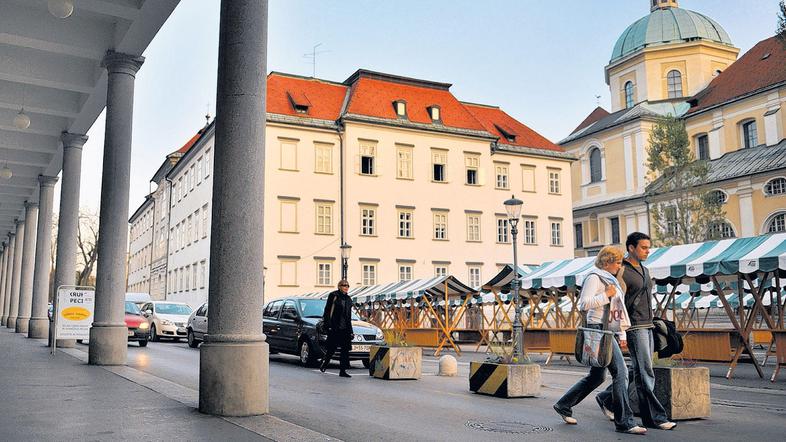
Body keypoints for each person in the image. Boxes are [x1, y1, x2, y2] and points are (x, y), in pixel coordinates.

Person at [553, 246, 646, 435]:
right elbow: (584, 304)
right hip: (598, 330)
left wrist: (621, 334)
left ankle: (564, 404)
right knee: (621, 373)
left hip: (607, 331)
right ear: (606, 262)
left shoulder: (610, 279)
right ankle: (624, 422)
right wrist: (606, 295)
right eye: (618, 262)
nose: (620, 266)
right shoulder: (594, 277)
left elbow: (616, 311)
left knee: (598, 376)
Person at [598, 233, 676, 431]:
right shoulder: (621, 270)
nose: (647, 251)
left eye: (648, 247)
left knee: (640, 370)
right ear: (631, 248)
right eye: (643, 247)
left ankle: (607, 398)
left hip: (647, 324)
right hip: (633, 326)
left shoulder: (644, 269)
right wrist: (621, 331)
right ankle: (655, 418)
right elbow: (618, 302)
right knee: (645, 372)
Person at [320, 279, 354, 378]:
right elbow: (327, 311)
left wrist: (351, 331)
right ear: (339, 286)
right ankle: (325, 363)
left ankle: (342, 371)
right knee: (331, 348)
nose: (346, 287)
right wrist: (328, 325)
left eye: (347, 286)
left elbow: (349, 316)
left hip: (345, 328)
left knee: (345, 350)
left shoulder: (348, 299)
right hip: (335, 327)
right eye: (344, 285)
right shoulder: (334, 296)